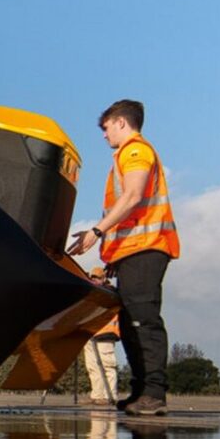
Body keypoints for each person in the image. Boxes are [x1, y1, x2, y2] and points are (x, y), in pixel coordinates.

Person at [68, 99, 181, 417]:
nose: (104, 135)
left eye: (106, 128)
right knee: (132, 324)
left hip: (146, 247)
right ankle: (141, 391)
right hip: (134, 250)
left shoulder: (135, 151)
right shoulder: (126, 155)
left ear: (121, 122)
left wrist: (97, 231)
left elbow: (132, 196)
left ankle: (153, 393)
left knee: (143, 320)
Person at [84, 267, 121, 407]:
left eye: (97, 278)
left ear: (103, 278)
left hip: (105, 333)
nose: (94, 280)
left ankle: (109, 396)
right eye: (92, 278)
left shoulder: (109, 293)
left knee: (107, 366)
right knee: (92, 367)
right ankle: (97, 396)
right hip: (89, 334)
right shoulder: (91, 294)